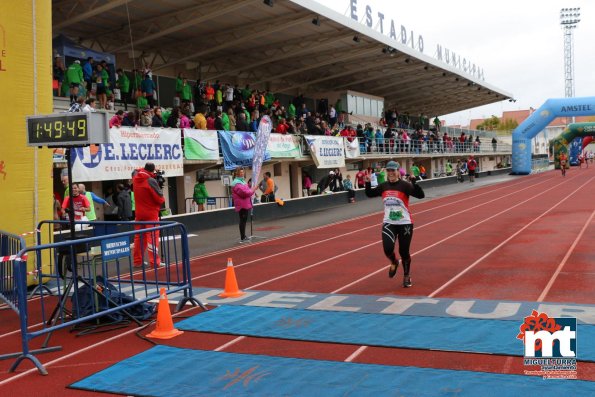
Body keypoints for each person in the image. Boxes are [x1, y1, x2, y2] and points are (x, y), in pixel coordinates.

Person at [365, 160, 425, 288]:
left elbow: (421, 195)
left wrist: (414, 182)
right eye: (389, 170)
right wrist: (367, 181)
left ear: (398, 172)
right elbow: (369, 194)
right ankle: (394, 262)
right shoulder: (383, 186)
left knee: (404, 252)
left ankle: (406, 275)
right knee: (387, 249)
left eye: (393, 170)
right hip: (389, 222)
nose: (391, 173)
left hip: (405, 224)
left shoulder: (405, 186)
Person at [132, 163, 165, 268]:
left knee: (139, 237)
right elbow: (160, 199)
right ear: (152, 171)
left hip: (139, 213)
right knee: (152, 238)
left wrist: (151, 173)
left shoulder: (136, 177)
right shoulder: (151, 181)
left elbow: (136, 171)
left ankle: (137, 261)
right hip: (151, 213)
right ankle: (155, 262)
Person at [231, 167, 259, 243]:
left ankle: (244, 236)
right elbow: (245, 193)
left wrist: (251, 189)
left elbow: (247, 191)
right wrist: (253, 189)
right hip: (242, 204)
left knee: (244, 220)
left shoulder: (242, 181)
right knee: (243, 220)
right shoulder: (237, 183)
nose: (242, 174)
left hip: (245, 203)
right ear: (237, 173)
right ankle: (243, 237)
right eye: (240, 172)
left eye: (243, 172)